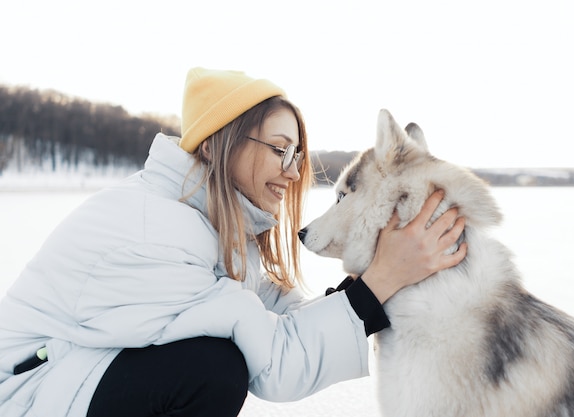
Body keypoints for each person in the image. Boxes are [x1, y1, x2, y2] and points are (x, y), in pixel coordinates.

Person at [0, 68, 466, 416]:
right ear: (213, 145)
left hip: (69, 378)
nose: (293, 169)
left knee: (212, 360)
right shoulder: (155, 232)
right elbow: (275, 360)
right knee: (212, 368)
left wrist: (364, 289)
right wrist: (381, 282)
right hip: (25, 395)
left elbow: (278, 315)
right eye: (279, 148)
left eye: (298, 154)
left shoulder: (208, 225)